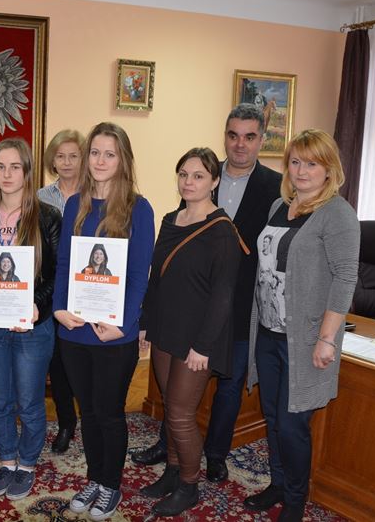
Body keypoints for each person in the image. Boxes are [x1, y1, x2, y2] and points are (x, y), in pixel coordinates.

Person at [132, 104, 282, 482]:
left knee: (227, 388)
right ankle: (172, 455)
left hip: (238, 305)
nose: (240, 144)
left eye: (249, 136)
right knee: (176, 399)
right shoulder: (199, 177)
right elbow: (171, 257)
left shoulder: (276, 187)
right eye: (233, 135)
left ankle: (213, 456)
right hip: (185, 309)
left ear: (261, 140)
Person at [244, 129, 359, 522]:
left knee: (293, 425)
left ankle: (295, 501)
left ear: (329, 169)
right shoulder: (279, 205)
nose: (302, 170)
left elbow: (345, 277)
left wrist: (327, 339)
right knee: (274, 417)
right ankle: (277, 484)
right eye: (295, 162)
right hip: (268, 333)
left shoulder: (337, 214)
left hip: (306, 340)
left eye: (312, 163)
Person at [53, 122, 154, 521]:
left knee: (110, 412)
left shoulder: (138, 208)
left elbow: (139, 274)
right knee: (88, 412)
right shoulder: (74, 204)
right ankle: (95, 478)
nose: (100, 160)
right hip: (75, 330)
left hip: (114, 334)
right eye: (95, 152)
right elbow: (64, 264)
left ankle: (111, 484)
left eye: (109, 154)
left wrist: (124, 325)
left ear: (122, 159)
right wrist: (59, 308)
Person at [138, 148, 247, 516]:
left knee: (182, 414)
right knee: (170, 408)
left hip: (197, 340)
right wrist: (145, 324)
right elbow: (157, 278)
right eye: (183, 174)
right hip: (165, 330)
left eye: (198, 175)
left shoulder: (222, 231)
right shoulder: (171, 220)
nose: (189, 182)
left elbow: (223, 296)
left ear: (214, 181)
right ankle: (172, 472)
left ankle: (189, 485)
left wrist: (203, 346)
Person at [0, 137, 61, 501]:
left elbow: (57, 275)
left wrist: (37, 306)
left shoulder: (47, 216)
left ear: (27, 172)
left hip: (32, 326)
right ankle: (7, 460)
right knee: (0, 401)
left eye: (14, 167)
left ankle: (28, 464)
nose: (5, 174)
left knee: (29, 402)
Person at [37, 129, 85, 454]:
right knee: (57, 363)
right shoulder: (40, 197)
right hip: (52, 289)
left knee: (85, 360)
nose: (66, 162)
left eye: (73, 156)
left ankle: (91, 418)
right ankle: (67, 422)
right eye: (60, 156)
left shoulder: (96, 196)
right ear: (52, 160)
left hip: (88, 289)